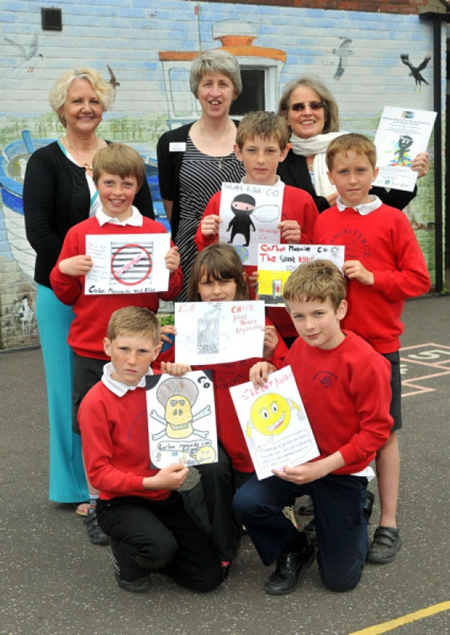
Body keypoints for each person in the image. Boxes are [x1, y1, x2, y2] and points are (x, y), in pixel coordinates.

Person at [23, 67, 154, 513]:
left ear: (103, 107)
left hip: (122, 298)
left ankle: (124, 479)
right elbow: (38, 229)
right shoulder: (45, 161)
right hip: (62, 292)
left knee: (128, 390)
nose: (85, 108)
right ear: (61, 108)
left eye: (93, 100)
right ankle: (78, 486)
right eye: (76, 100)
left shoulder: (119, 158)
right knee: (71, 393)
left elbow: (148, 224)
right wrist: (74, 265)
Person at [234, 260, 394, 595]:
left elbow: (376, 433)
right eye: (298, 316)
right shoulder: (300, 349)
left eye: (318, 313)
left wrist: (322, 467)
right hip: (299, 458)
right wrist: (267, 367)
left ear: (341, 309)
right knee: (247, 502)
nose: (308, 326)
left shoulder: (367, 363)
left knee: (339, 580)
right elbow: (289, 390)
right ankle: (295, 546)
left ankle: (356, 510)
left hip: (340, 469)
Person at [49, 143, 182, 544]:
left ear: (138, 185)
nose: (118, 191)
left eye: (127, 183)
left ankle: (141, 494)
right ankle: (97, 502)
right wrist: (63, 270)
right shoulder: (79, 234)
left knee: (136, 425)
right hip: (91, 347)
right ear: (96, 182)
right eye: (109, 183)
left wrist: (173, 271)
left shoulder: (155, 231)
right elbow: (67, 295)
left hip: (139, 353)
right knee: (93, 429)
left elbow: (168, 292)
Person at [314, 133, 431, 564]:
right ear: (330, 176)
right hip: (331, 345)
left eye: (360, 170)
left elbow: (418, 280)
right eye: (342, 172)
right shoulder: (323, 219)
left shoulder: (393, 220)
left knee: (382, 433)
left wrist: (373, 277)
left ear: (376, 173)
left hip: (378, 345)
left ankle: (389, 521)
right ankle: (346, 501)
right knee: (336, 428)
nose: (352, 179)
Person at [156, 243, 288, 569]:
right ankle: (223, 550)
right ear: (196, 288)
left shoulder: (257, 321)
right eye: (207, 283)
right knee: (215, 470)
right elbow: (158, 374)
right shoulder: (186, 325)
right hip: (206, 428)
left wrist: (271, 359)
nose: (216, 291)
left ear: (239, 283)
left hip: (249, 430)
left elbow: (286, 374)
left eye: (224, 282)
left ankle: (205, 509)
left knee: (246, 500)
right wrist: (168, 367)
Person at [78, 306, 223, 593]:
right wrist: (149, 482)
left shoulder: (163, 384)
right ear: (107, 346)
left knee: (208, 579)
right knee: (160, 547)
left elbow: (195, 413)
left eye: (143, 352)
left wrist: (184, 376)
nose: (132, 360)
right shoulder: (95, 403)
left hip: (162, 495)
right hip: (119, 502)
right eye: (123, 349)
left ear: (157, 350)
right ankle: (127, 554)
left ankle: (159, 547)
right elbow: (97, 475)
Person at [194, 110, 318, 341]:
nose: (261, 160)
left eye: (270, 151)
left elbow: (317, 262)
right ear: (238, 152)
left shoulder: (302, 200)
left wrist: (300, 241)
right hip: (236, 311)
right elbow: (207, 258)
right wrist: (205, 235)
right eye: (252, 150)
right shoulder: (220, 200)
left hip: (289, 316)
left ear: (283, 153)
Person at [157, 49, 246, 300]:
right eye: (207, 84)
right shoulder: (172, 142)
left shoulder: (250, 137)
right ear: (197, 90)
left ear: (234, 91)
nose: (215, 93)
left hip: (240, 248)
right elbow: (171, 206)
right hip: (190, 251)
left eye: (223, 84)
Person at [277, 76, 430, 213]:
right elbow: (282, 213)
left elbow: (386, 207)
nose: (307, 112)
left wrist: (408, 177)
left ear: (326, 113)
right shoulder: (278, 160)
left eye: (315, 105)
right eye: (298, 107)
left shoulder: (351, 151)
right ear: (286, 117)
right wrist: (338, 199)